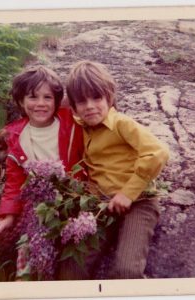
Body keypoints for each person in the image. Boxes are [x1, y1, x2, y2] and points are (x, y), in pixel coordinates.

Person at [64, 60, 170, 279]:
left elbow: (157, 152)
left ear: (109, 97)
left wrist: (127, 193)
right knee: (71, 268)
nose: (90, 106)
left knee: (126, 270)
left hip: (138, 201)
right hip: (103, 205)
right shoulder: (79, 125)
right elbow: (49, 106)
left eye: (97, 98)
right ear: (73, 106)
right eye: (82, 101)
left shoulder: (122, 124)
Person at [0, 65, 84, 281]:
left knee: (29, 251)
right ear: (20, 101)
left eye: (47, 97)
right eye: (32, 97)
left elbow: (82, 100)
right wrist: (7, 214)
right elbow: (14, 181)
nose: (40, 103)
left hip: (65, 204)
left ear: (57, 101)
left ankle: (31, 285)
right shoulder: (15, 134)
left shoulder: (70, 122)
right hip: (31, 204)